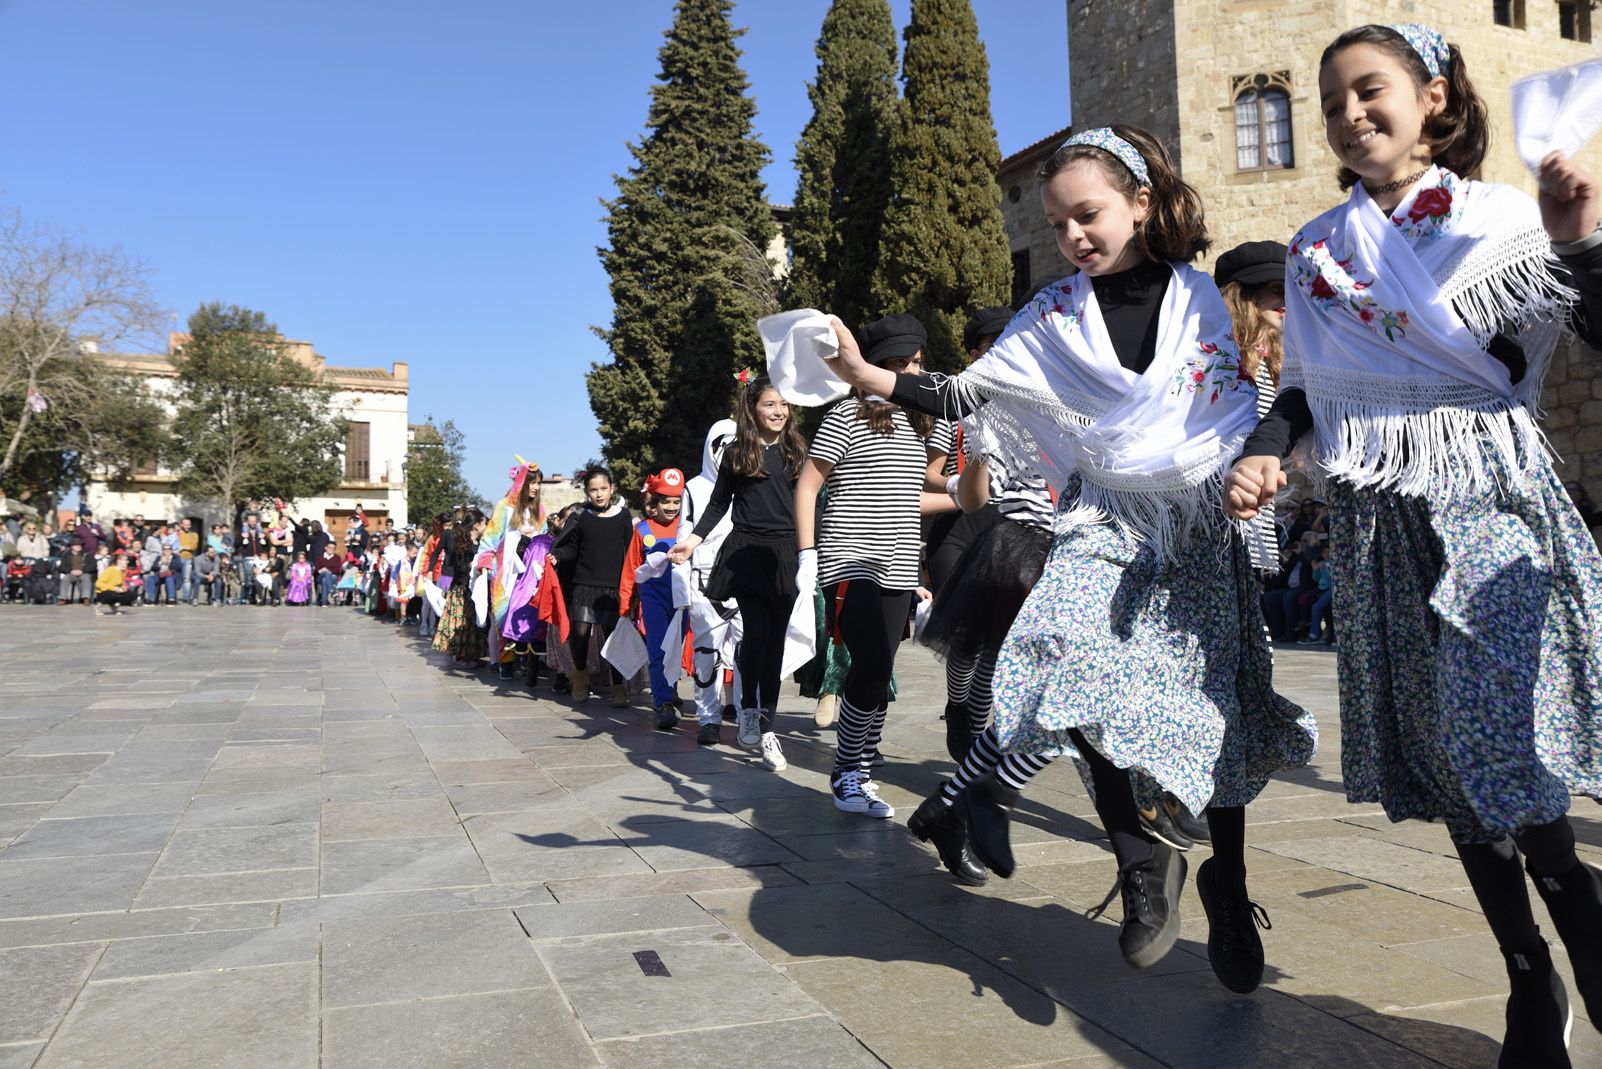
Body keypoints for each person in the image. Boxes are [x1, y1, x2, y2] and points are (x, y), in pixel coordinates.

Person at [830, 127, 1316, 985]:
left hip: (1199, 525)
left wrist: (1257, 466)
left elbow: (1249, 412)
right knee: (1066, 664)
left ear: (1141, 201)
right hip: (1104, 516)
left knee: (1218, 715)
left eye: (1086, 215)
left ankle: (1228, 888)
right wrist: (869, 375)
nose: (1072, 238)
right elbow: (962, 392)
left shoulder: (1204, 304)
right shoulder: (1052, 317)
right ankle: (1140, 864)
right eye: (1057, 226)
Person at [1225, 23, 1602, 1062]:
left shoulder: (1498, 218)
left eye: (1370, 89)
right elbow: (1302, 386)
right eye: (1331, 98)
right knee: (1448, 758)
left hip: (1487, 495)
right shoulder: (1315, 251)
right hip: (1383, 519)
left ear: (1433, 96)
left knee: (1499, 740)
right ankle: (1529, 970)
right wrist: (1266, 453)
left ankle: (1574, 900)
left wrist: (1580, 243)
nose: (1349, 113)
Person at [794, 316, 952, 817]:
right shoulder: (845, 415)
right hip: (849, 558)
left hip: (903, 565)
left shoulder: (935, 421)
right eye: (902, 363)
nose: (912, 371)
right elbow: (807, 487)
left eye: (919, 363)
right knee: (873, 665)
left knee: (878, 674)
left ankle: (856, 768)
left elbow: (920, 494)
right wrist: (806, 555)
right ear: (878, 365)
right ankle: (847, 773)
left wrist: (971, 500)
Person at [669, 381, 806, 765]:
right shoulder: (737, 453)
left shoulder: (797, 450)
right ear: (753, 409)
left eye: (784, 404)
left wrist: (812, 551)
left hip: (785, 554)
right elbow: (716, 506)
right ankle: (747, 707)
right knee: (757, 631)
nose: (779, 411)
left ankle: (769, 729)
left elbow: (808, 502)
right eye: (769, 404)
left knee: (775, 641)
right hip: (745, 550)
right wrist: (692, 542)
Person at [678, 420, 742, 745]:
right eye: (723, 445)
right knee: (706, 654)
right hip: (704, 584)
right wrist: (683, 594)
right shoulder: (694, 488)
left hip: (744, 581)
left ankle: (747, 717)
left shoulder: (752, 482)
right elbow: (682, 540)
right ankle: (708, 719)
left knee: (746, 655)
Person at [547, 468, 634, 705]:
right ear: (586, 492)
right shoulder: (580, 517)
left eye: (603, 489)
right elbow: (571, 548)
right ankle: (580, 675)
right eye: (593, 490)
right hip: (584, 584)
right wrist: (557, 556)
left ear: (612, 489)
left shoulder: (624, 516)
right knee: (580, 633)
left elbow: (630, 552)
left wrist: (632, 587)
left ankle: (618, 687)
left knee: (612, 639)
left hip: (613, 588)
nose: (599, 494)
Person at [620, 468, 689, 731]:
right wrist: (624, 604)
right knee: (659, 649)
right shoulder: (643, 530)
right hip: (654, 600)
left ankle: (670, 691)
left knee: (675, 650)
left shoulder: (688, 528)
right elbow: (630, 569)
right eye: (665, 501)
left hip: (682, 600)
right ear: (654, 502)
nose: (671, 507)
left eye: (676, 501)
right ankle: (662, 702)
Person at [480, 461, 547, 678]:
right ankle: (505, 661)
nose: (535, 487)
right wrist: (485, 561)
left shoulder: (540, 510)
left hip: (530, 570)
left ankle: (528, 661)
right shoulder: (504, 507)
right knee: (501, 614)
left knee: (528, 613)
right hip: (505, 571)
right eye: (532, 482)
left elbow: (545, 539)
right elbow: (490, 537)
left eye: (538, 483)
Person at [433, 507, 490, 667]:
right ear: (476, 525)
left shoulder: (480, 542)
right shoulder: (457, 539)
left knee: (471, 624)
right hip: (458, 584)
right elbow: (450, 560)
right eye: (485, 523)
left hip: (472, 587)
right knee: (462, 622)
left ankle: (472, 655)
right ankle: (461, 656)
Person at [58, 540, 92, 605]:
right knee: (66, 578)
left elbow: (92, 566)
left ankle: (86, 598)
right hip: (71, 573)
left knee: (86, 577)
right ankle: (63, 598)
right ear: (72, 547)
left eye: (79, 545)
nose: (78, 546)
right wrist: (71, 571)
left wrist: (82, 571)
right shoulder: (66, 556)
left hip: (83, 573)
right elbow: (62, 567)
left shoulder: (87, 555)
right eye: (76, 545)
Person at [315, 542, 342, 607]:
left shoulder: (337, 557)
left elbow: (338, 570)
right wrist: (321, 570)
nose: (331, 549)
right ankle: (332, 591)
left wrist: (327, 570)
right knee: (326, 576)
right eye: (329, 547)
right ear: (326, 548)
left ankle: (324, 601)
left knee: (325, 580)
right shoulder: (320, 557)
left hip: (332, 577)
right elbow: (316, 570)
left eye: (333, 548)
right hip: (320, 576)